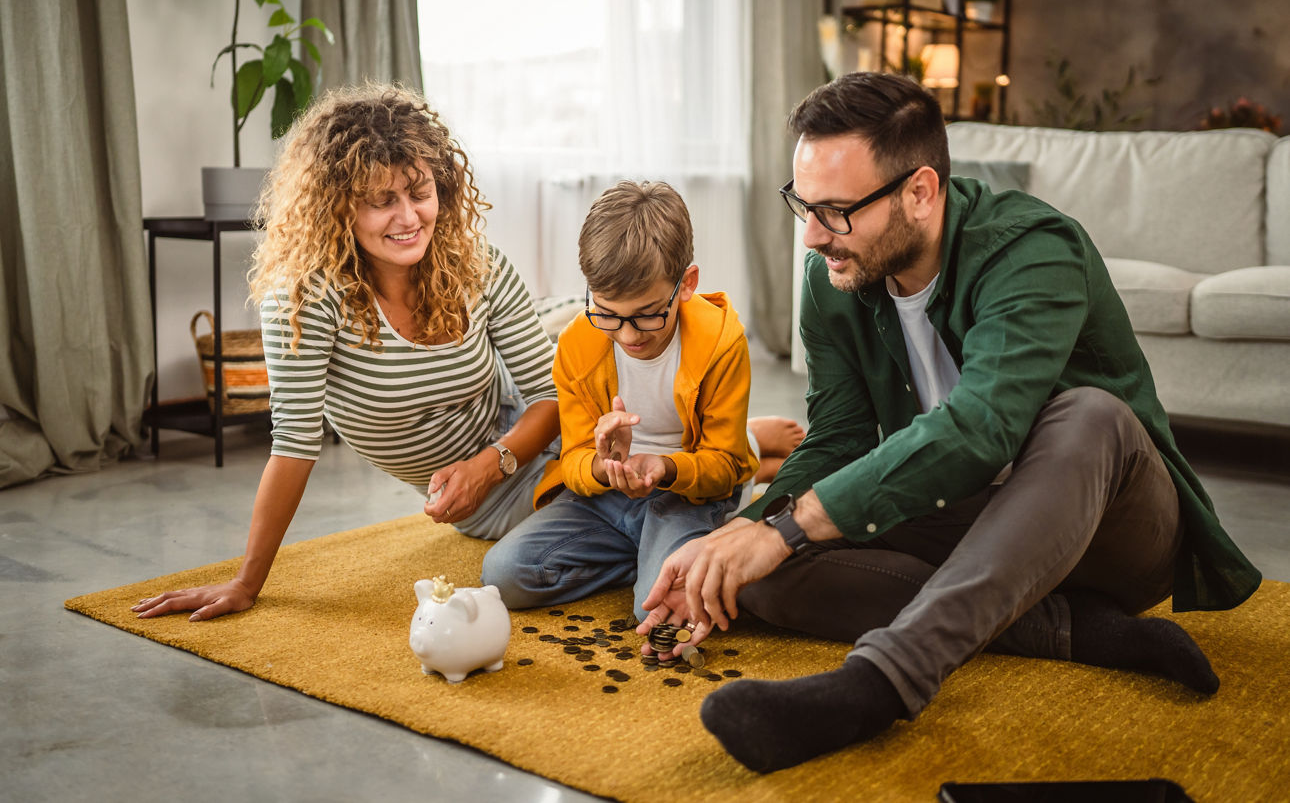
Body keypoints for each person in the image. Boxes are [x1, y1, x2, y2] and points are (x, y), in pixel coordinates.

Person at [637, 72, 1262, 773]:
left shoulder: (1033, 249)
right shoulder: (833, 275)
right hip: (965, 516)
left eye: (836, 211)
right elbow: (840, 440)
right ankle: (1065, 631)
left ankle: (876, 684)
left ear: (921, 192)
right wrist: (740, 535)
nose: (813, 236)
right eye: (802, 205)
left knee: (1092, 416)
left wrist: (785, 527)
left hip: (1110, 529)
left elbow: (982, 428)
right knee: (758, 568)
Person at [133, 84, 562, 622]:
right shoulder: (305, 297)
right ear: (337, 206)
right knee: (556, 545)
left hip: (532, 432)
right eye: (382, 201)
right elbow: (293, 445)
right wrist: (247, 582)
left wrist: (489, 464)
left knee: (621, 386)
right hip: (495, 500)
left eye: (420, 193)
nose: (408, 218)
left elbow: (551, 393)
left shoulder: (478, 265)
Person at [481, 181, 802, 621]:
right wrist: (602, 464)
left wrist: (665, 467)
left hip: (688, 490)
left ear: (686, 284)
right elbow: (572, 462)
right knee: (503, 575)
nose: (629, 335)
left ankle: (732, 485)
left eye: (649, 314)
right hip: (607, 495)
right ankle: (654, 551)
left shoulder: (722, 343)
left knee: (657, 607)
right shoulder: (577, 343)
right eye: (608, 313)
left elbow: (720, 467)